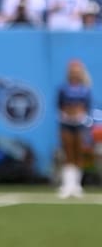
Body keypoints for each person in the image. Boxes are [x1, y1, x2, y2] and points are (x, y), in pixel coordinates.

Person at [56, 59, 92, 198]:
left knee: (79, 153)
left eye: (77, 72)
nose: (75, 74)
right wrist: (67, 113)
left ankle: (77, 185)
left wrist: (79, 114)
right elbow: (59, 104)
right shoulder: (63, 88)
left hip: (80, 123)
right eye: (73, 72)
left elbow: (87, 106)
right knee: (68, 152)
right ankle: (67, 185)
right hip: (66, 123)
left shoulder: (85, 89)